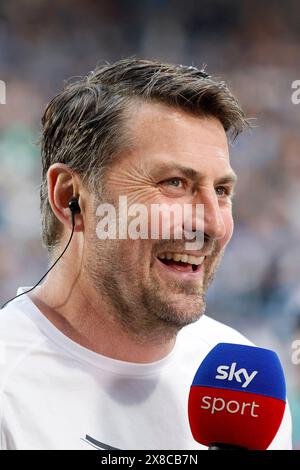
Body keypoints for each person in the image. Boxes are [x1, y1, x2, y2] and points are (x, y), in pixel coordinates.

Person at [0, 58, 292, 450]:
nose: (213, 225)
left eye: (221, 191)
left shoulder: (246, 387)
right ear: (71, 197)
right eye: (174, 183)